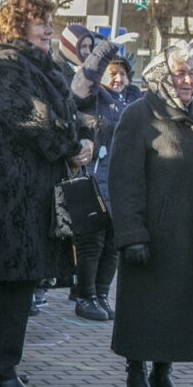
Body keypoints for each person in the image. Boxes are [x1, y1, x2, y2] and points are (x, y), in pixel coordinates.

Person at [0, 0, 93, 387]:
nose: (48, 28)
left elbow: (65, 116)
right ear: (17, 25)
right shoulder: (6, 65)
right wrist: (69, 146)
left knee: (18, 281)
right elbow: (32, 119)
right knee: (17, 280)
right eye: (40, 21)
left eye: (49, 21)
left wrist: (84, 138)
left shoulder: (39, 65)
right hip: (13, 192)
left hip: (34, 188)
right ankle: (1, 366)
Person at [108, 45, 193, 387]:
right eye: (179, 74)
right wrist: (132, 233)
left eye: (191, 73)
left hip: (189, 231)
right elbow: (124, 180)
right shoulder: (140, 115)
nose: (187, 80)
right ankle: (136, 370)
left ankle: (163, 371)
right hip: (152, 230)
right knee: (146, 305)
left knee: (177, 306)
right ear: (161, 77)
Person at [69, 41, 141, 321]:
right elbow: (81, 85)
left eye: (123, 74)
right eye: (113, 72)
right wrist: (103, 53)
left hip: (121, 184)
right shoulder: (93, 96)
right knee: (91, 243)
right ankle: (85, 296)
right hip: (92, 183)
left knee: (112, 244)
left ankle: (101, 294)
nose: (119, 78)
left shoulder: (132, 102)